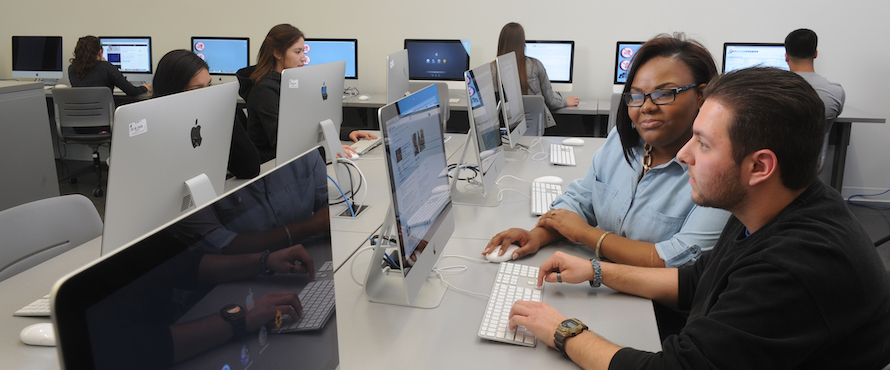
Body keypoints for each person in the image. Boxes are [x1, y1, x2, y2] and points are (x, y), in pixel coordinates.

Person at [511, 67, 890, 369]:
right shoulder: (777, 205)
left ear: (760, 166)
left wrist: (562, 330)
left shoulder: (794, 266)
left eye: (704, 144)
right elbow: (697, 280)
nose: (683, 155)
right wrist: (595, 271)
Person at [485, 34, 730, 269]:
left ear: (701, 95)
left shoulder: (718, 174)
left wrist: (585, 234)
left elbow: (678, 260)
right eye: (636, 96)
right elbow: (582, 200)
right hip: (599, 281)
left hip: (652, 306)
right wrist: (537, 235)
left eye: (663, 94)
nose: (646, 106)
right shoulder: (621, 140)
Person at [235, 24, 375, 162]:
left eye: (303, 52)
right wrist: (327, 150)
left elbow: (309, 127)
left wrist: (346, 133)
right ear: (277, 53)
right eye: (297, 52)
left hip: (297, 160)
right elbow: (283, 141)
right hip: (272, 165)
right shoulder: (264, 90)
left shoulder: (292, 81)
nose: (304, 58)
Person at [152, 49, 260, 179]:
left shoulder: (207, 118)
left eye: (208, 86)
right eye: (197, 88)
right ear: (174, 90)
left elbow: (250, 169)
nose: (207, 94)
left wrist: (225, 114)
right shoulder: (155, 126)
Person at [784, 28, 846, 171]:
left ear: (786, 56)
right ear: (815, 54)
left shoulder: (771, 89)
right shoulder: (835, 91)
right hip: (811, 164)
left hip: (772, 163)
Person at [497, 22, 578, 128]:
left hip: (505, 130)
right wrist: (565, 102)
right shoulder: (535, 65)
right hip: (536, 131)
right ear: (523, 42)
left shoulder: (492, 69)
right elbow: (551, 102)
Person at [68, 35, 151, 96]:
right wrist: (144, 87)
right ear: (100, 52)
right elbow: (132, 92)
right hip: (103, 116)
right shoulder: (106, 67)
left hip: (79, 117)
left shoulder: (72, 69)